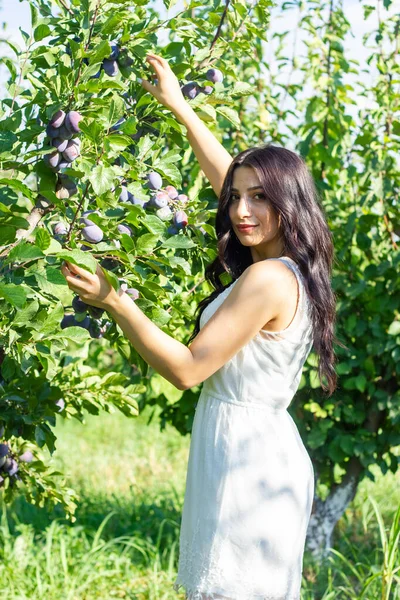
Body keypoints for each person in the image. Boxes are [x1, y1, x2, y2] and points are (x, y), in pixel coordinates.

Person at [61, 52, 341, 600]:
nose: (240, 209)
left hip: (247, 463)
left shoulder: (267, 281)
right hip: (249, 449)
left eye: (260, 197)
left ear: (288, 202)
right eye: (236, 196)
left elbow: (188, 370)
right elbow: (230, 183)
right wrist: (183, 110)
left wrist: (116, 301)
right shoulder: (291, 264)